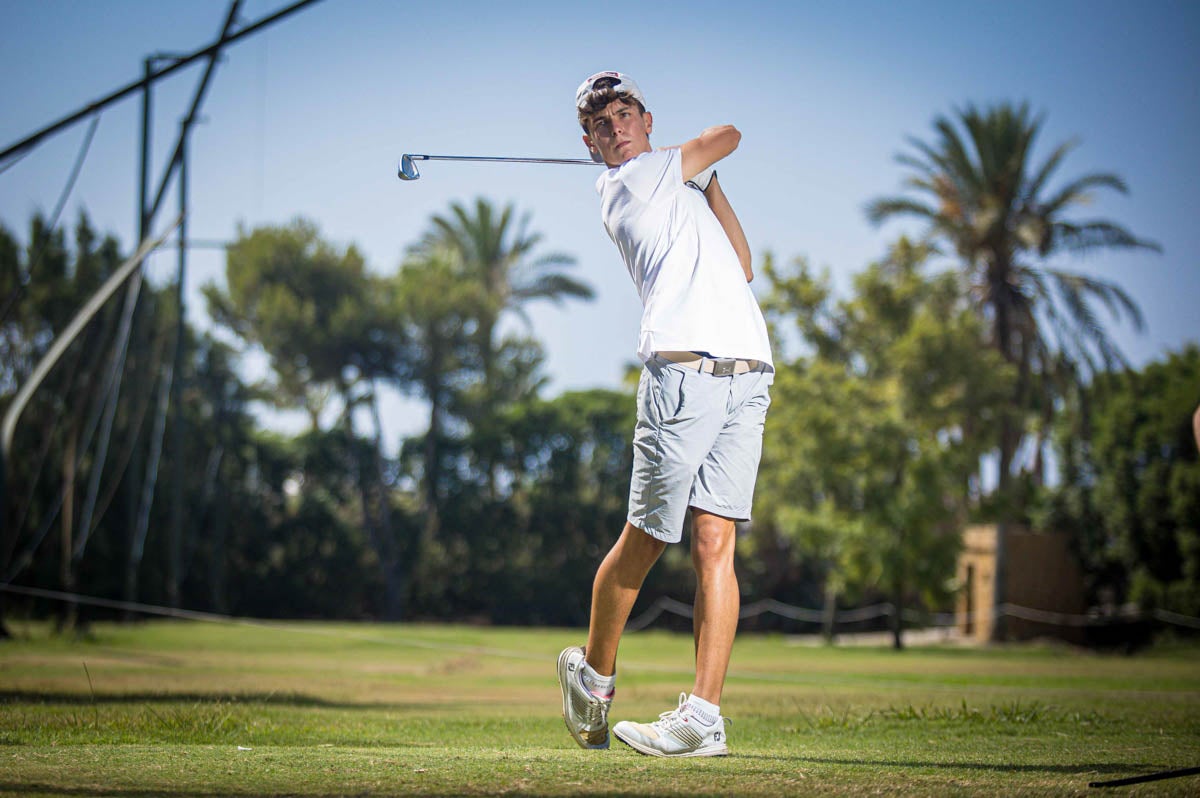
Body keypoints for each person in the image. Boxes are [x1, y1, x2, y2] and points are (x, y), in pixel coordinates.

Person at [557, 71, 774, 758]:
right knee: (649, 538)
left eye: (625, 113)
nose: (615, 126)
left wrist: (706, 184)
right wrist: (693, 166)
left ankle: (703, 717)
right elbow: (727, 135)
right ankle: (594, 679)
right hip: (681, 377)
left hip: (747, 373)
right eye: (602, 123)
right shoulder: (628, 184)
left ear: (647, 120)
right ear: (591, 144)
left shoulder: (672, 186)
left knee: (717, 543)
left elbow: (741, 265)